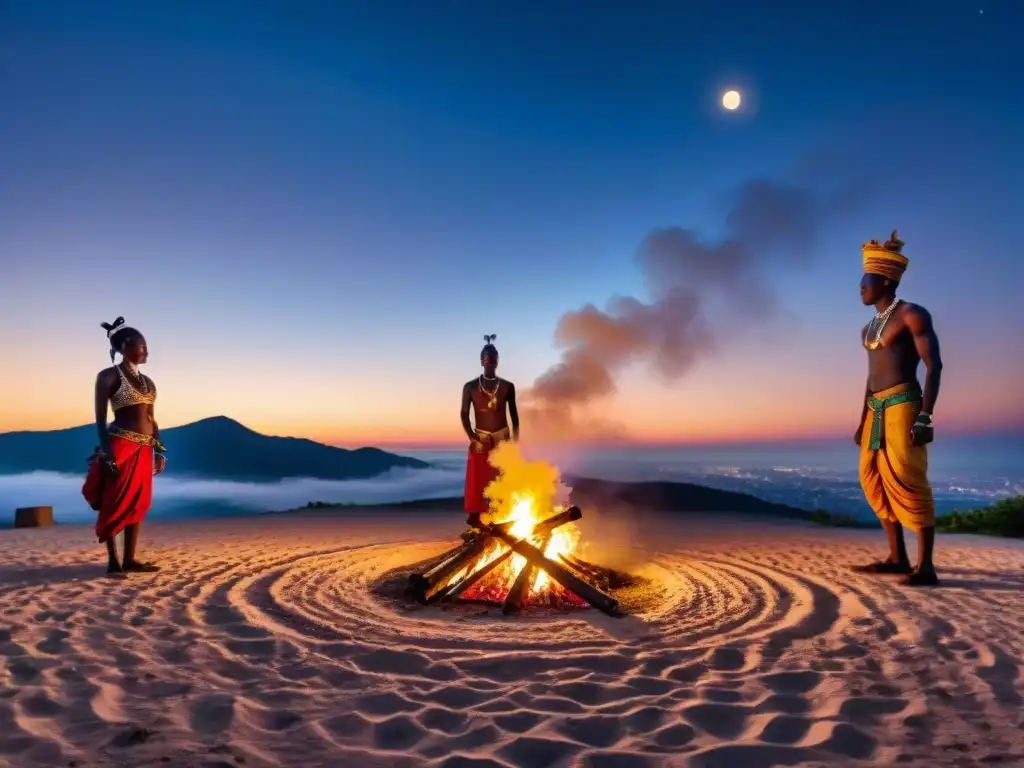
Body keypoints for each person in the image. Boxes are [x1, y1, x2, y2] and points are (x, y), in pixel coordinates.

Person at [853, 231, 943, 586]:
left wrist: (925, 415)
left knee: (908, 476)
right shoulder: (867, 327)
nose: (860, 288)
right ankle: (897, 557)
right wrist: (862, 419)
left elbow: (934, 366)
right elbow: (870, 376)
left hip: (904, 403)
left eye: (866, 282)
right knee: (872, 478)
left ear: (886, 280)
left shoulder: (912, 314)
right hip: (875, 408)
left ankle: (927, 567)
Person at [82, 317, 166, 576]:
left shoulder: (149, 382)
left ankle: (130, 558)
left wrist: (159, 449)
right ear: (125, 346)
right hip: (120, 444)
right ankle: (113, 561)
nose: (146, 351)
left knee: (138, 502)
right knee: (114, 500)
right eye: (142, 346)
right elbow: (99, 418)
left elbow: (152, 417)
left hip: (144, 448)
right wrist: (106, 452)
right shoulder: (108, 376)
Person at [460, 334, 520, 528]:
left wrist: (515, 444)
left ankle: (501, 513)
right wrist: (472, 437)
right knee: (478, 478)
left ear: (497, 361)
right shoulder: (469, 387)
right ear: (481, 361)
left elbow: (514, 416)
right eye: (486, 359)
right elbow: (463, 414)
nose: (490, 363)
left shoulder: (507, 387)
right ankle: (476, 516)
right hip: (481, 438)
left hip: (502, 438)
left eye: (493, 359)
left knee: (501, 477)